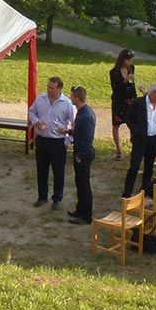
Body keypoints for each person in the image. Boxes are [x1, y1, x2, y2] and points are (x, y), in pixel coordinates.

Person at [28, 76, 75, 210]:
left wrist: (68, 140)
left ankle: (57, 198)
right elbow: (31, 112)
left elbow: (74, 123)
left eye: (52, 88)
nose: (49, 90)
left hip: (58, 143)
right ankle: (42, 196)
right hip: (42, 140)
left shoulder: (66, 103)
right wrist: (37, 122)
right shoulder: (41, 99)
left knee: (58, 172)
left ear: (59, 89)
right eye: (48, 87)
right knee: (41, 170)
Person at [122, 81, 156, 198]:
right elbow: (128, 117)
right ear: (153, 93)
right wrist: (136, 131)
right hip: (140, 140)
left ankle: (145, 191)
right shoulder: (139, 103)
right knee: (135, 166)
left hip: (154, 140)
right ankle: (127, 193)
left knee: (149, 167)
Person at [68, 86, 96, 225]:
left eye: (72, 96)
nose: (70, 98)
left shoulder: (84, 116)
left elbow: (86, 139)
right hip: (82, 152)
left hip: (83, 154)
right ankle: (80, 209)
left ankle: (86, 215)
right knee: (79, 182)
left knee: (84, 185)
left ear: (77, 98)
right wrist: (68, 132)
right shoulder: (84, 111)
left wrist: (80, 156)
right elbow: (79, 133)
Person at [109, 49, 137, 161]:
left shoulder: (132, 68)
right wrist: (125, 81)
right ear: (123, 60)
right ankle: (118, 149)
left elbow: (133, 84)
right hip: (119, 101)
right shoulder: (114, 72)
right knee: (116, 124)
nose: (131, 62)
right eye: (129, 60)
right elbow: (115, 89)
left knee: (133, 124)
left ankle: (133, 148)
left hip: (130, 100)